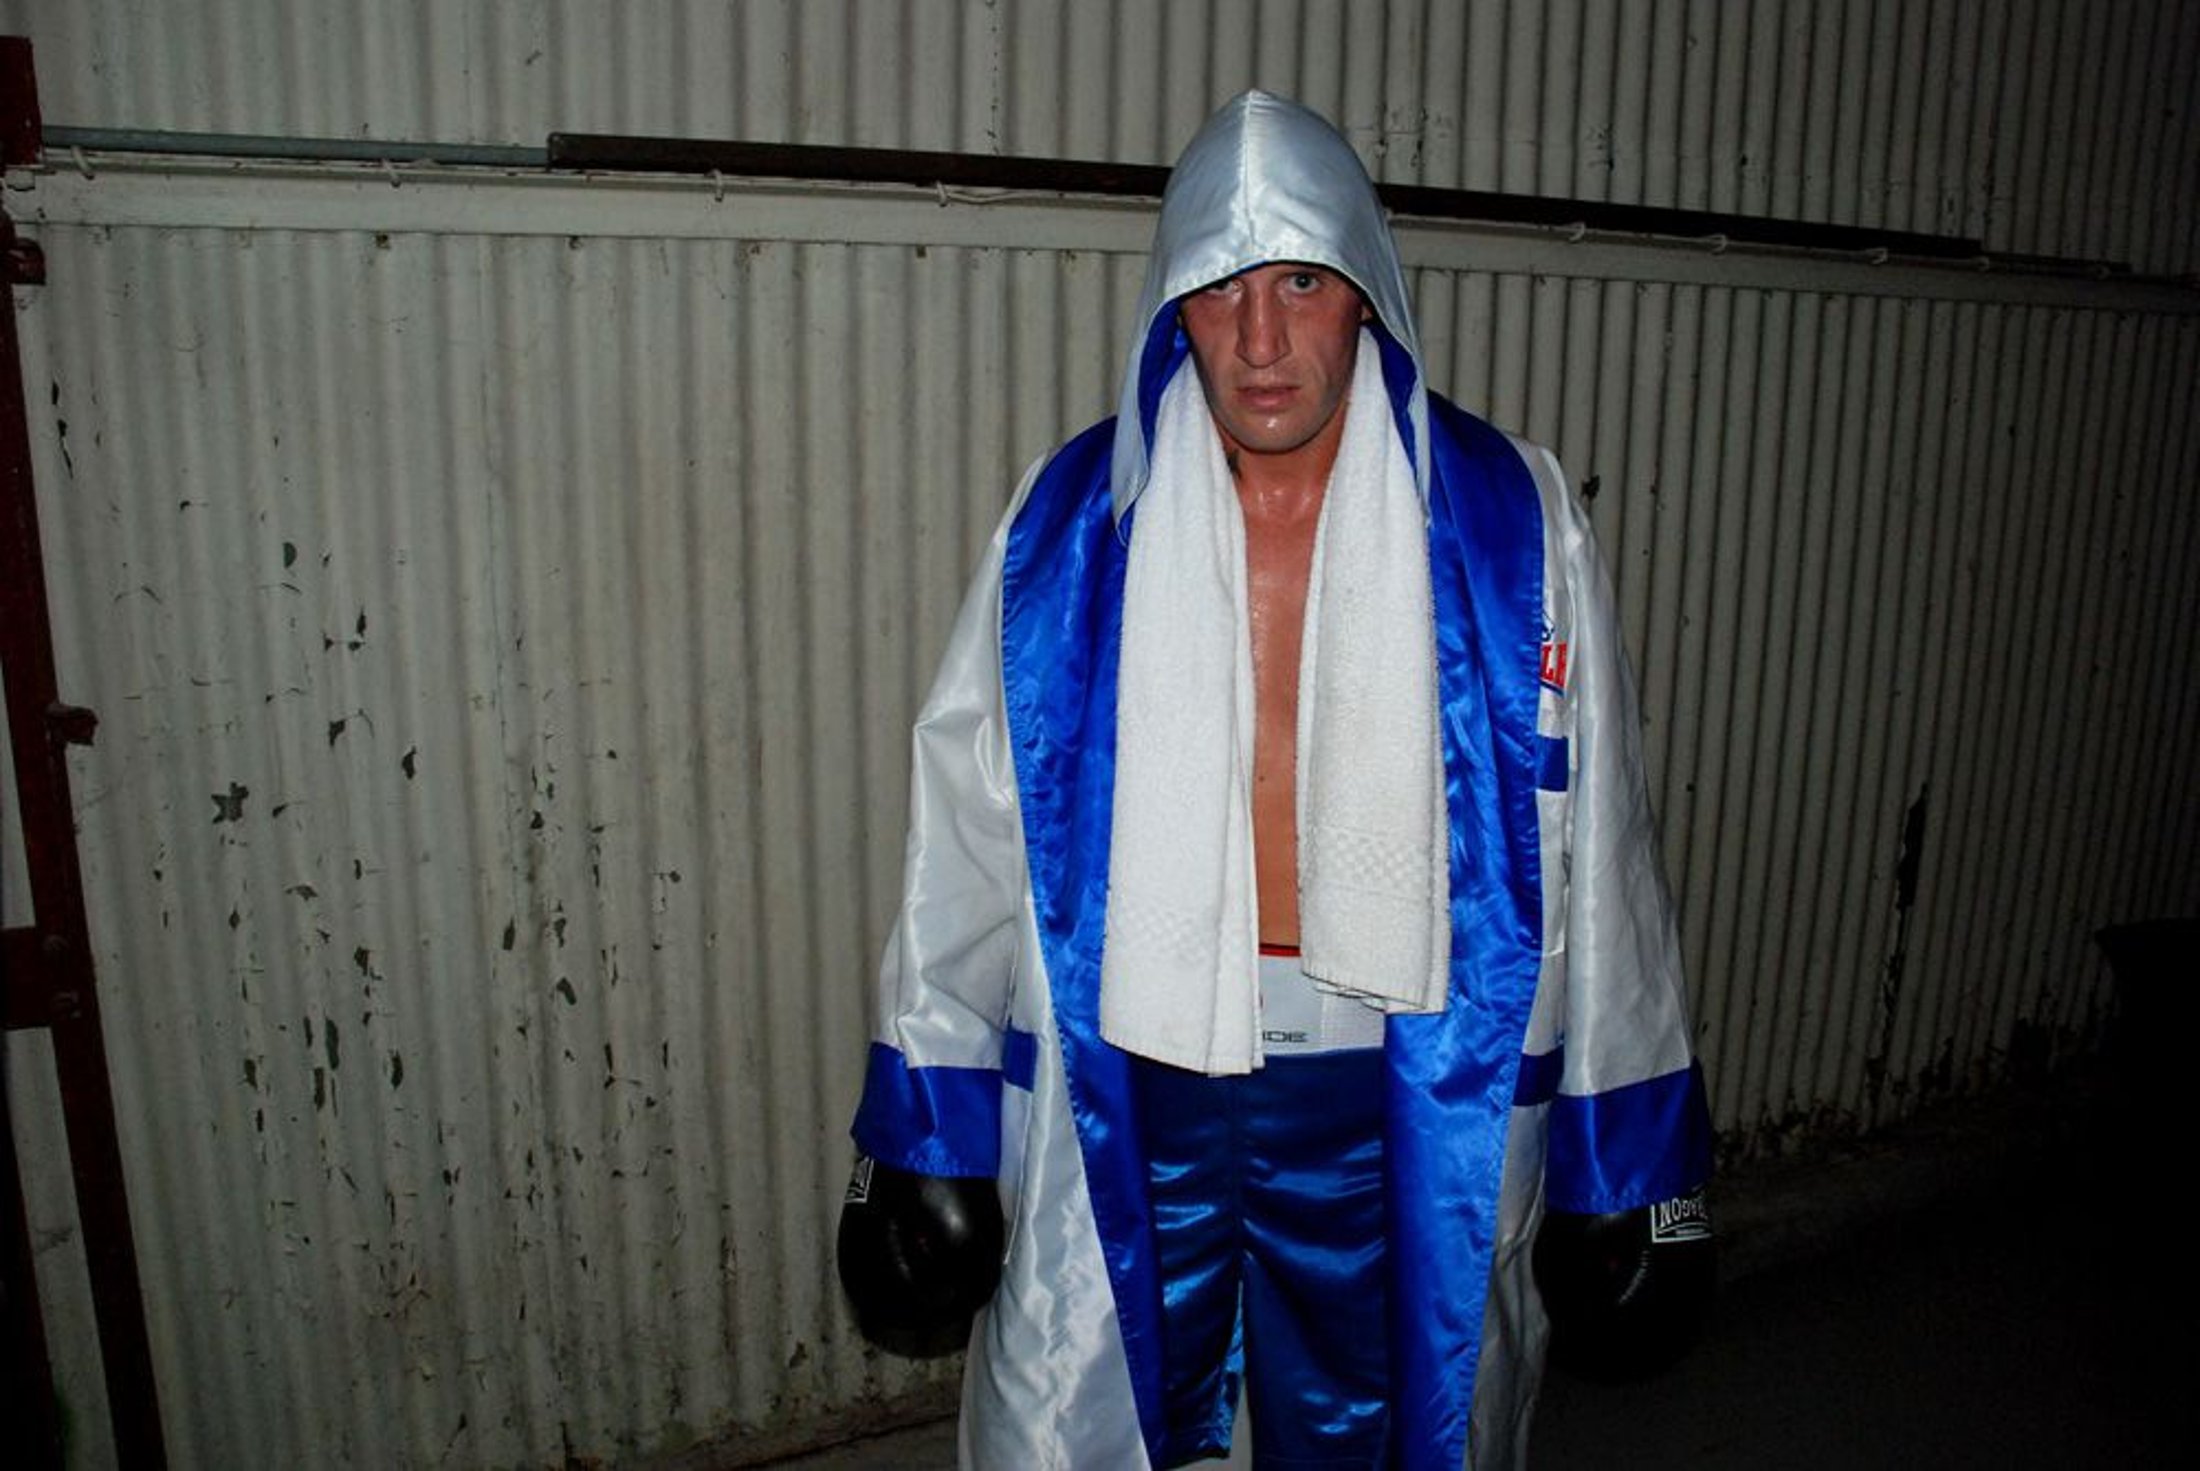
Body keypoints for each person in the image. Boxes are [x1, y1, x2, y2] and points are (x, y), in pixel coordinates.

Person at [838, 90, 1714, 1470]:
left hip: (1400, 1076)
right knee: (1086, 1420)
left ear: (1365, 289)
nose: (1259, 340)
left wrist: (1632, 1161)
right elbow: (965, 834)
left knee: (1400, 1426)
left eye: (1300, 282)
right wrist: (924, 1128)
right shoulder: (1068, 530)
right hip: (1137, 1061)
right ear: (1169, 306)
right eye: (1221, 288)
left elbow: (1600, 843)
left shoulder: (1512, 524)